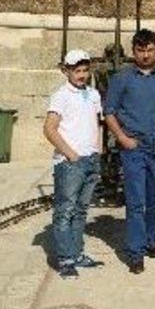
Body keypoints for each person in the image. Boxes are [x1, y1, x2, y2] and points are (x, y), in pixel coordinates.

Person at [103, 29, 155, 274]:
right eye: (141, 50)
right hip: (135, 149)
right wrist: (122, 139)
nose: (146, 55)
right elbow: (109, 112)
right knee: (136, 203)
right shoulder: (122, 79)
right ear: (134, 51)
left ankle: (149, 242)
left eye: (150, 50)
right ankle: (135, 253)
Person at [45, 49, 104, 279]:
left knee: (81, 211)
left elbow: (96, 124)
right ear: (66, 71)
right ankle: (65, 259)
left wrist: (97, 151)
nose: (82, 75)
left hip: (90, 159)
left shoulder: (93, 94)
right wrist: (70, 154)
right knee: (65, 211)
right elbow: (49, 129)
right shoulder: (61, 96)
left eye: (85, 70)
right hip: (70, 163)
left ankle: (77, 254)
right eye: (77, 70)